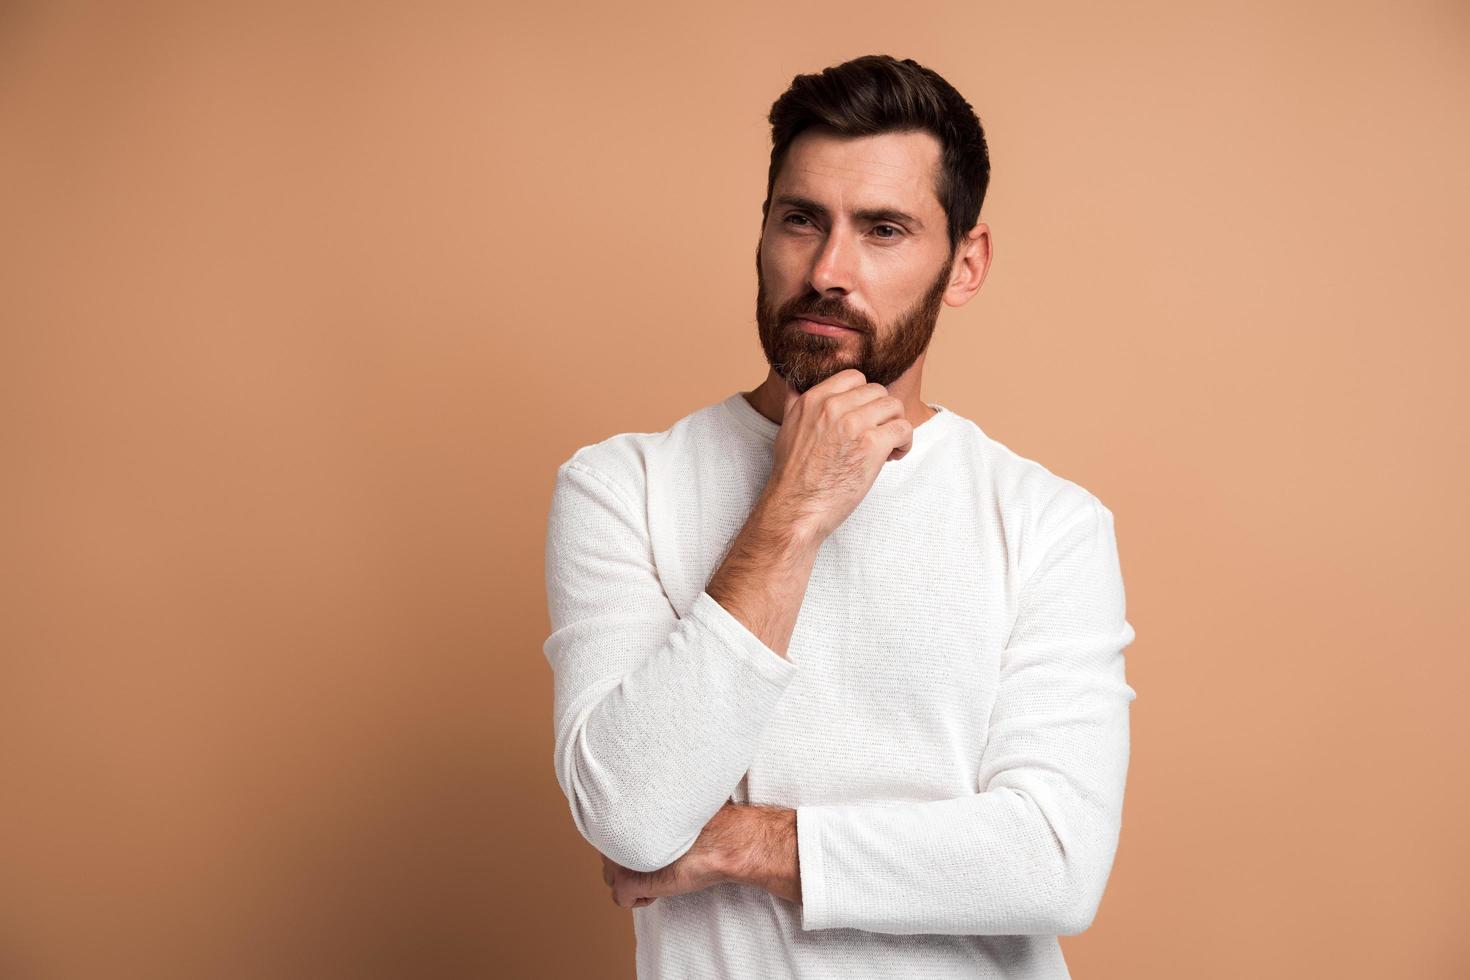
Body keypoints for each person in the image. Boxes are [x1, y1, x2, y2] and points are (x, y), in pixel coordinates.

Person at [541, 53, 1137, 979]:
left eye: (885, 229)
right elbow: (632, 815)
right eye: (801, 220)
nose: (828, 270)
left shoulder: (1047, 522)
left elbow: (1054, 862)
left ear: (964, 264)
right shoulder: (623, 487)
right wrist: (792, 509)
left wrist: (743, 844)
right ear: (763, 232)